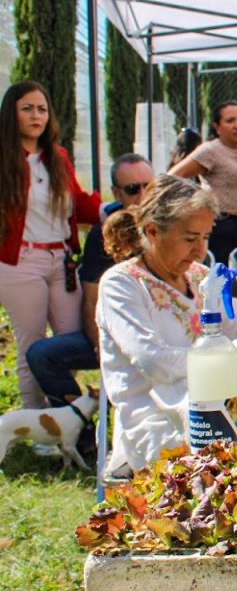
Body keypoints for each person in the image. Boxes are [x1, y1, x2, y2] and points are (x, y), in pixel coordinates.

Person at [96, 175, 237, 474]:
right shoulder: (121, 285)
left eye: (205, 237)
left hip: (217, 411)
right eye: (190, 238)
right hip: (153, 420)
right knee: (228, 460)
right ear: (153, 231)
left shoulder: (201, 278)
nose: (200, 250)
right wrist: (223, 358)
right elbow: (152, 361)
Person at [0, 80, 101, 411]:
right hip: (20, 262)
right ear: (11, 114)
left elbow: (80, 204)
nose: (36, 116)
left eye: (42, 109)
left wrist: (115, 208)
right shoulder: (4, 159)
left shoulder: (57, 157)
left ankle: (63, 420)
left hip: (63, 262)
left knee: (67, 343)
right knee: (31, 345)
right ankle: (33, 420)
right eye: (27, 108)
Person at [26, 154, 154, 415]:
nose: (142, 195)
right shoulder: (104, 234)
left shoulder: (172, 227)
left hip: (160, 337)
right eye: (132, 189)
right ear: (117, 193)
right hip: (113, 336)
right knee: (41, 354)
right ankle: (78, 427)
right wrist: (103, 348)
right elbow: (91, 301)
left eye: (148, 186)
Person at [169, 100, 237, 264]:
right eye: (230, 121)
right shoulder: (210, 151)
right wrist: (192, 206)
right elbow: (172, 176)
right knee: (226, 276)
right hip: (225, 228)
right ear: (217, 126)